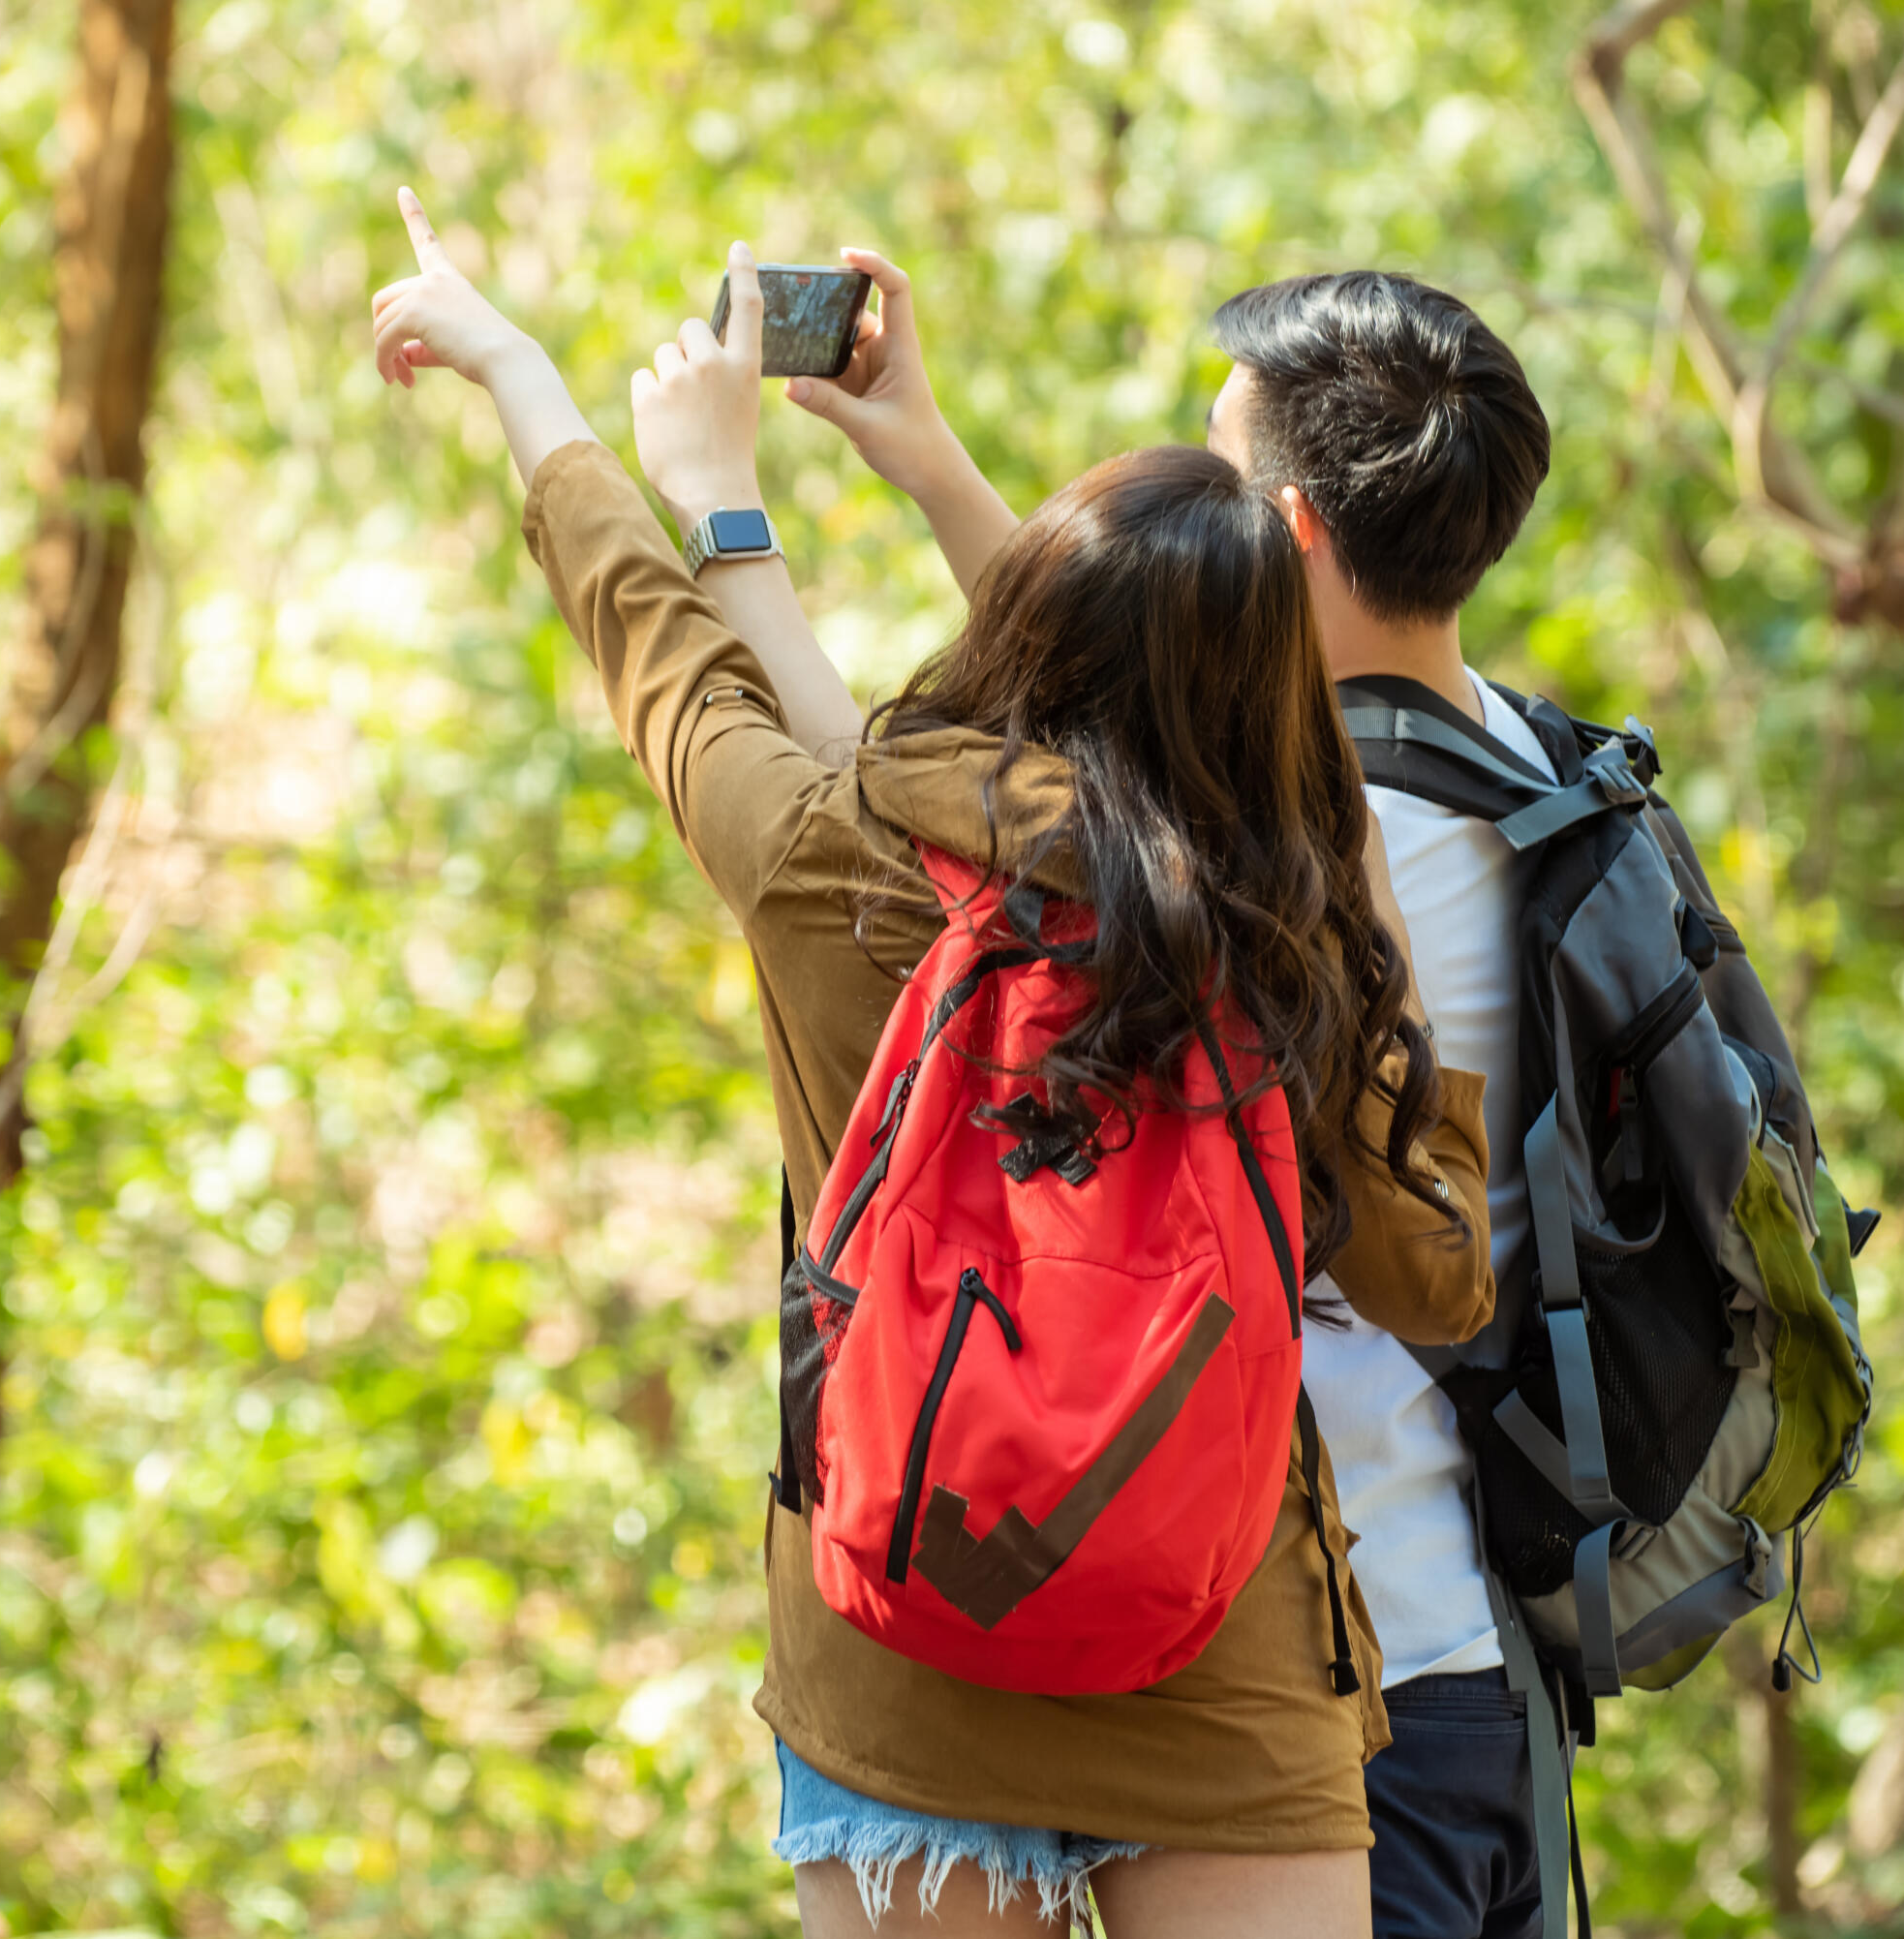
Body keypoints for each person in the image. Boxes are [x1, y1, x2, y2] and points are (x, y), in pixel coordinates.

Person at [370, 191, 1499, 1938]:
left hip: (904, 1672)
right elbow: (1436, 1274)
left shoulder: (833, 864)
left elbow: (658, 646)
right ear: (1274, 705)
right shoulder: (1289, 940)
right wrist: (1325, 838)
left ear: (1017, 643)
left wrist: (531, 379)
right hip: (1221, 1680)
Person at [784, 258, 1558, 1938]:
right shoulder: (1527, 787)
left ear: (1277, 535)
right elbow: (1125, 694)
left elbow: (1023, 770)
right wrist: (926, 460)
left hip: (1276, 1671)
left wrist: (723, 518)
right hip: (1470, 1649)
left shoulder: (1300, 863)